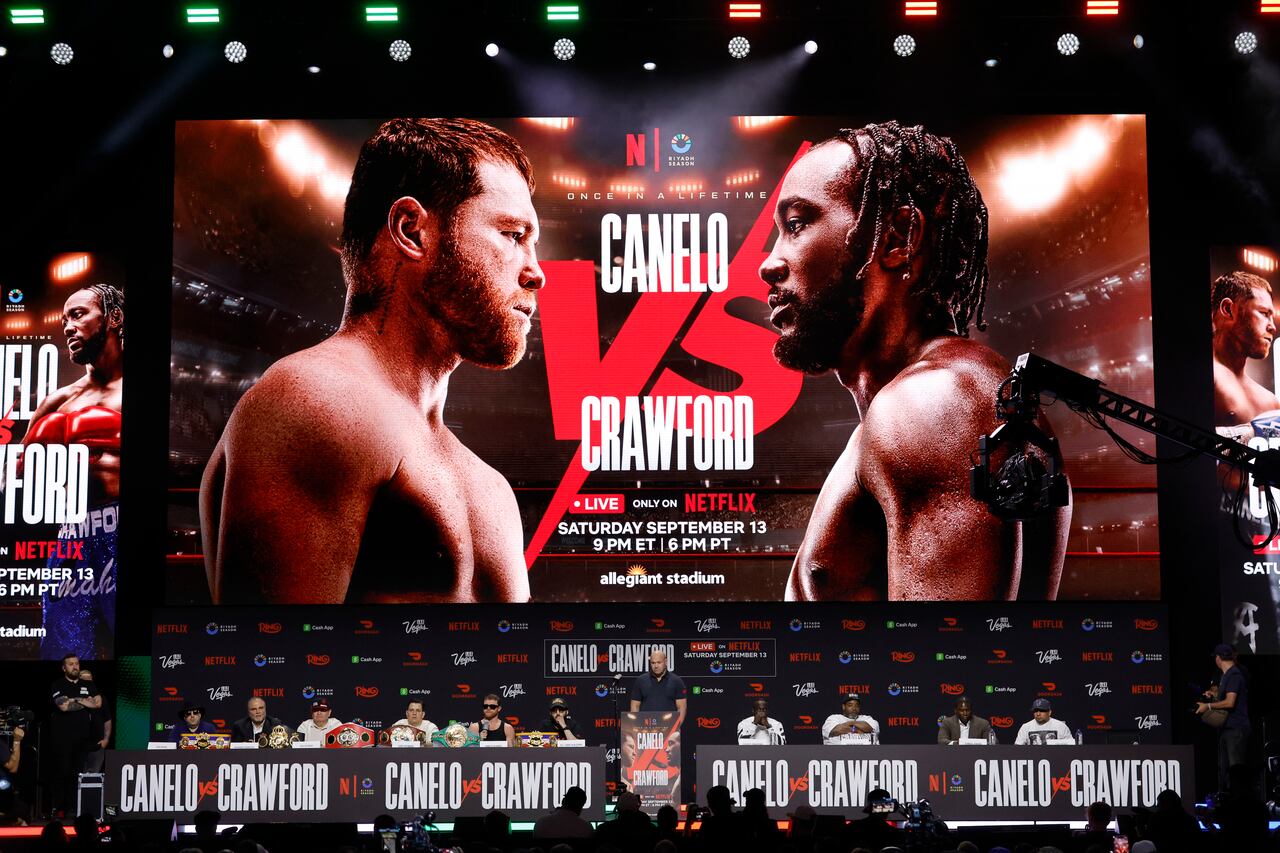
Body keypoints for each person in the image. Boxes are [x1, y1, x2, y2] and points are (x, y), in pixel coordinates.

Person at [201, 118, 544, 605]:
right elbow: (274, 671)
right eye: (513, 234)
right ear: (411, 230)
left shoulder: (490, 487)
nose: (536, 272)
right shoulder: (317, 401)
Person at [758, 121, 1070, 601]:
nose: (769, 263)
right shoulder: (941, 399)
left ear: (898, 236)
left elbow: (949, 667)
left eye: (797, 224)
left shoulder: (931, 405)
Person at [24, 284, 124, 660]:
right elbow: (13, 480)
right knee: (62, 654)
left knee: (133, 653)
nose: (68, 326)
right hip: (71, 537)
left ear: (114, 318)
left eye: (79, 314)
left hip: (121, 532)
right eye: (65, 319)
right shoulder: (56, 403)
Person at [1212, 271, 1280, 431]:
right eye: (1264, 313)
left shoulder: (1271, 402)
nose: (1273, 326)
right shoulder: (1203, 376)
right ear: (1228, 309)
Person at [46, 655, 101, 816]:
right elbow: (63, 706)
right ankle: (60, 807)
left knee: (78, 773)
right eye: (71, 664)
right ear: (64, 668)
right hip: (62, 738)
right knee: (63, 772)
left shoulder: (88, 684)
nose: (75, 667)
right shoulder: (58, 684)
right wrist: (84, 701)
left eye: (77, 663)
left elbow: (97, 704)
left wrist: (74, 699)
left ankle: (75, 808)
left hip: (83, 737)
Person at [1196, 642, 1250, 792]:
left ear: (1218, 658)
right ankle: (1228, 801)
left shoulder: (1234, 675)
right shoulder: (1226, 676)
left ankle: (1240, 802)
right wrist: (1213, 695)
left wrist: (1208, 706)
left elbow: (1230, 702)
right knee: (1225, 769)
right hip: (1227, 729)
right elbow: (1228, 696)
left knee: (1236, 770)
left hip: (1236, 729)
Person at [629, 649, 688, 725]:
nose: (656, 666)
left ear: (665, 662)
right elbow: (635, 706)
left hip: (669, 727)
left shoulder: (676, 681)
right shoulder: (641, 680)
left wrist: (676, 728)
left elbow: (682, 708)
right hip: (645, 727)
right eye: (653, 663)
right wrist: (637, 725)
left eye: (659, 662)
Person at [77, 668, 111, 771]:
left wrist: (106, 739)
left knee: (93, 777)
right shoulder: (76, 698)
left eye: (89, 678)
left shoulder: (101, 699)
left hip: (97, 745)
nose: (88, 681)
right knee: (76, 777)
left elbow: (107, 720)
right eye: (84, 679)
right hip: (78, 745)